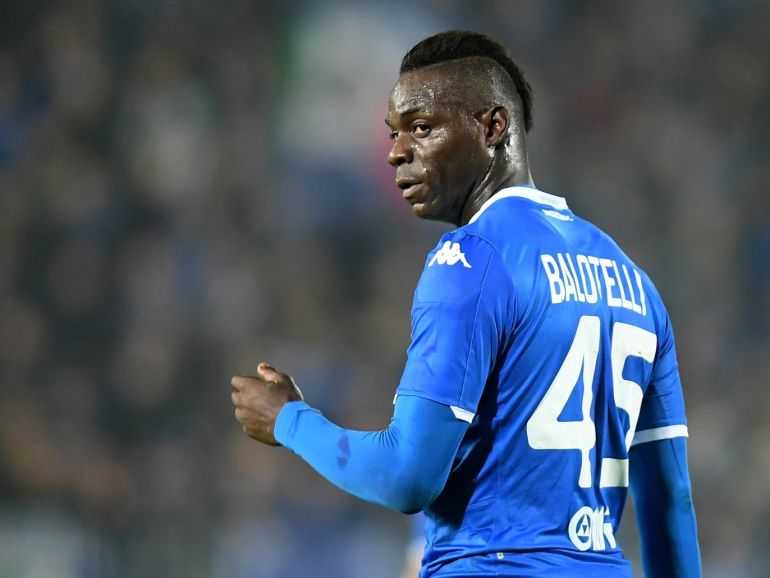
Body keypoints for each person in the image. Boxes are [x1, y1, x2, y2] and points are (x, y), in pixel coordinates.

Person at [230, 30, 701, 577]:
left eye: (421, 128)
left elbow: (409, 476)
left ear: (493, 126)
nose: (395, 152)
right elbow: (671, 502)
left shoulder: (470, 259)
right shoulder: (635, 282)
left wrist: (288, 420)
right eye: (394, 133)